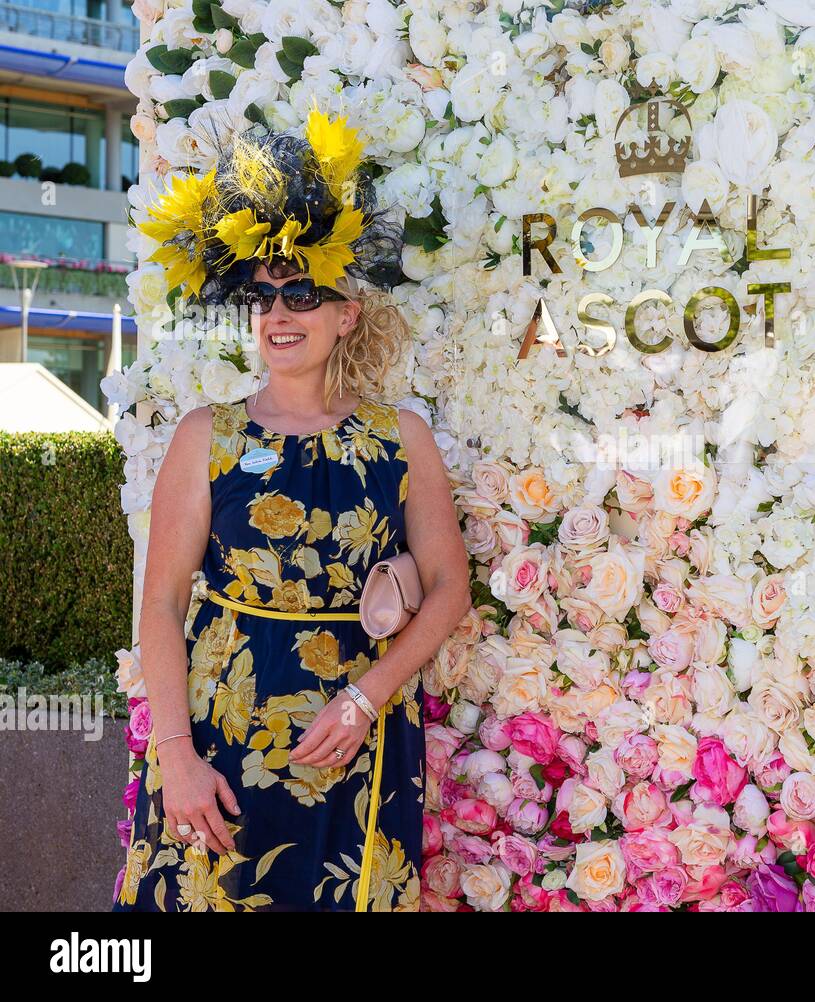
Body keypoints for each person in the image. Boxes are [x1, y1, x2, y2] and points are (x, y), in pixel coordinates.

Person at [113, 109, 470, 911]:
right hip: (218, 738)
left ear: (346, 313)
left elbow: (450, 589)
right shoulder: (207, 436)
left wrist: (366, 697)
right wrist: (175, 754)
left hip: (356, 739)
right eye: (264, 294)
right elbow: (163, 606)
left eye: (304, 293)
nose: (279, 312)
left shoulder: (400, 437)